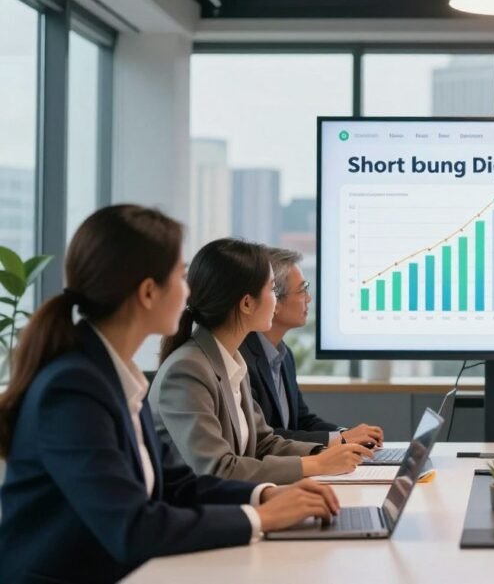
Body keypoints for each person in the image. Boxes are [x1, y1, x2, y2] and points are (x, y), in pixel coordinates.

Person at [0, 206, 340, 583]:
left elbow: (178, 484)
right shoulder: (72, 390)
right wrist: (260, 518)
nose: (189, 290)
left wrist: (262, 496)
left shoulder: (114, 376)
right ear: (148, 292)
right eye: (180, 276)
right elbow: (132, 527)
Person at [149, 238, 371, 484]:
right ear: (246, 303)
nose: (276, 301)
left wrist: (324, 453)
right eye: (273, 289)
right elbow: (217, 469)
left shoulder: (230, 360)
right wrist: (316, 463)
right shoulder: (187, 370)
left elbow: (264, 442)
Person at [240, 247, 382, 447]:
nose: (308, 298)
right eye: (302, 290)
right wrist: (340, 440)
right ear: (275, 301)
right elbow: (265, 437)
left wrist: (346, 434)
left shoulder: (283, 354)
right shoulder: (242, 359)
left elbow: (302, 420)